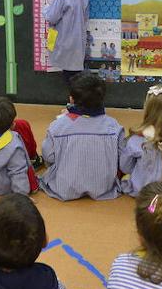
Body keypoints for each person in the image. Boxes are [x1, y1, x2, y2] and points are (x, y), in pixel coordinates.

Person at [40, 72, 125, 201]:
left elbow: (49, 157)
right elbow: (122, 161)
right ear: (102, 98)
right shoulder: (114, 126)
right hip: (104, 188)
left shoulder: (57, 126)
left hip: (63, 188)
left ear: (71, 99)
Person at [42, 0, 89, 88]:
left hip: (65, 44)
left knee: (70, 80)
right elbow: (85, 18)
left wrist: (46, 8)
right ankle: (76, 104)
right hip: (78, 44)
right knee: (76, 77)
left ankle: (74, 105)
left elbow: (51, 17)